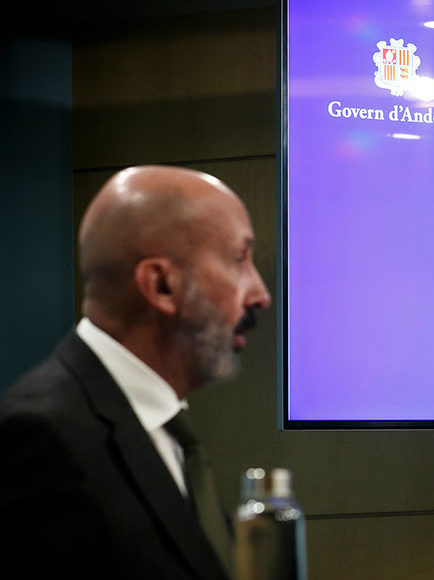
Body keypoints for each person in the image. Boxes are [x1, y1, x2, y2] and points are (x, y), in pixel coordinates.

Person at [0, 165, 271, 579]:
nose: (260, 294)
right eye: (239, 259)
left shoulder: (165, 428)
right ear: (161, 285)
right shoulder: (42, 437)